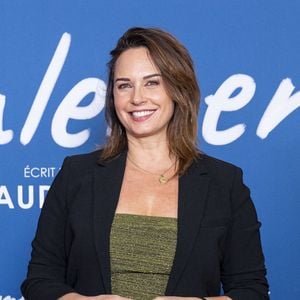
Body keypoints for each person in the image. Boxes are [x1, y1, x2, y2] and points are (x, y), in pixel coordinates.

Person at [21, 27, 269, 300]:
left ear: (178, 88)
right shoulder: (76, 175)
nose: (137, 98)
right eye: (124, 85)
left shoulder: (225, 183)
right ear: (113, 96)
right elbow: (40, 280)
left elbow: (253, 290)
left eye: (152, 82)